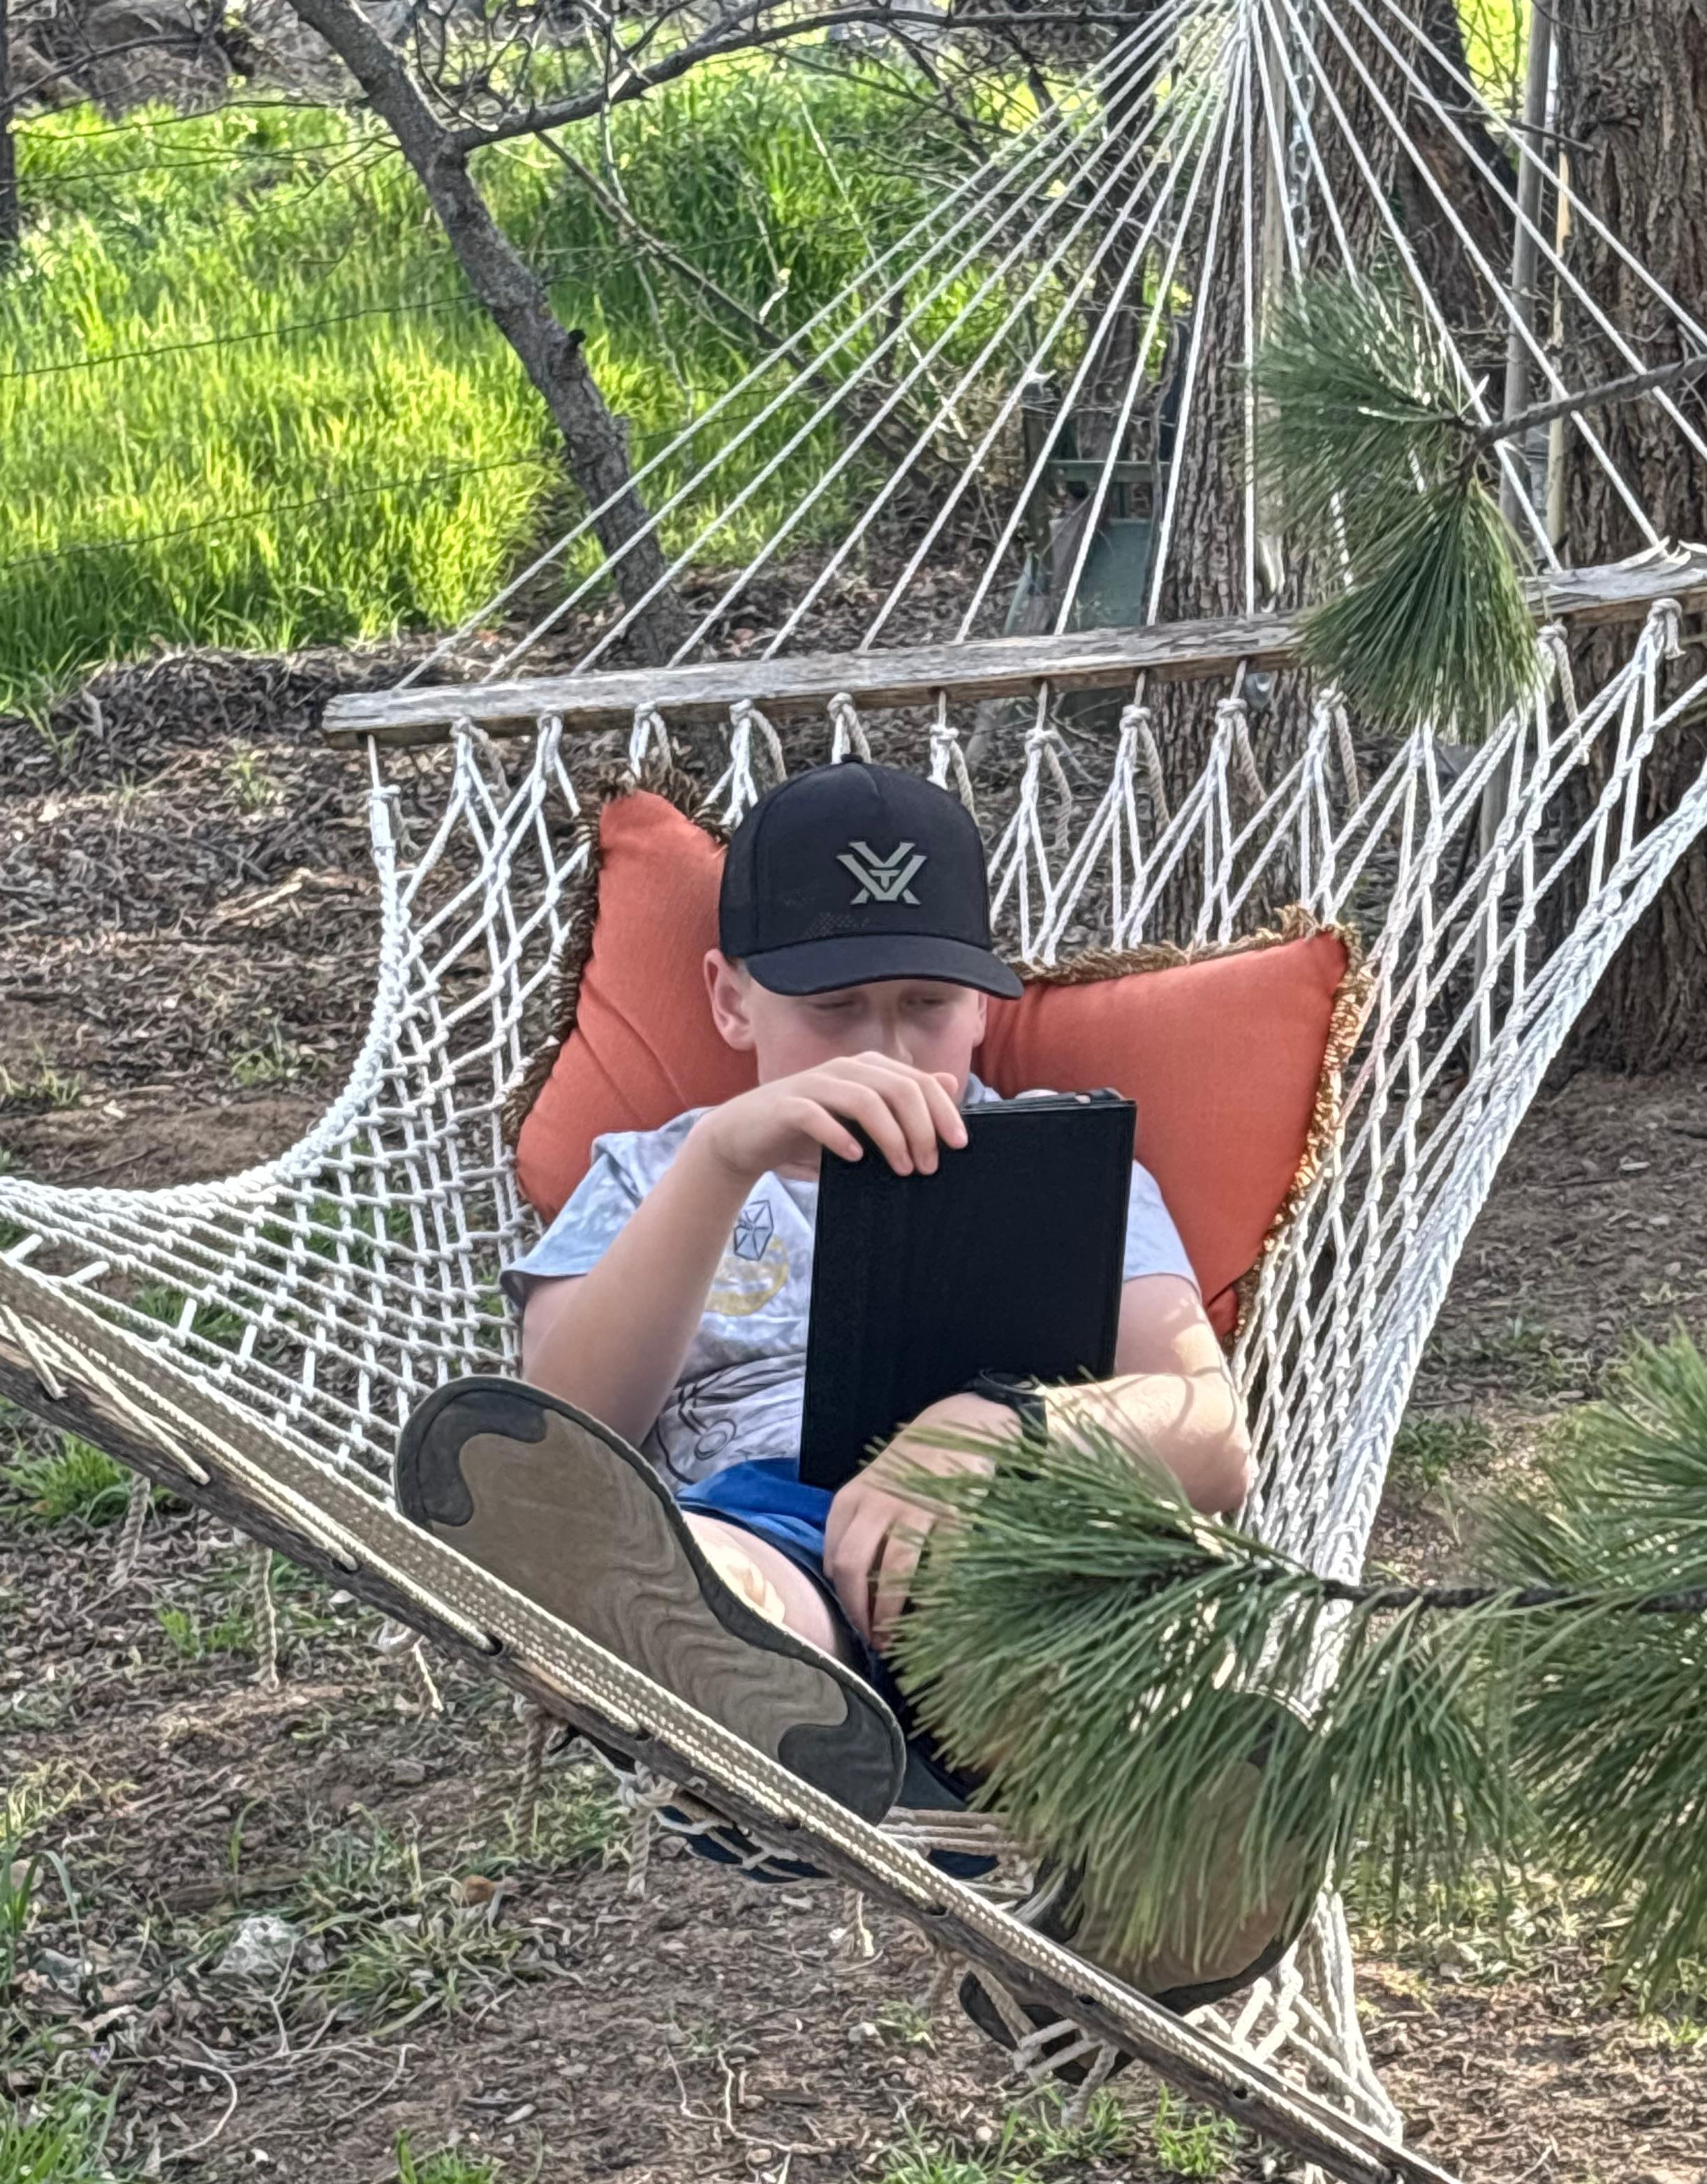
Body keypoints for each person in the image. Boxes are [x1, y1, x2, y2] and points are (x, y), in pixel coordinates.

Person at [397, 762, 1316, 2035]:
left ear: (985, 1010)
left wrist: (1006, 1428)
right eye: (832, 1009)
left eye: (926, 1006)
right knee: (704, 1561)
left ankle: (1156, 1851)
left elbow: (1212, 1440)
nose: (882, 1053)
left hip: (1005, 1534)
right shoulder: (656, 1172)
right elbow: (561, 1423)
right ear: (730, 1001)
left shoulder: (1062, 1164)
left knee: (1002, 1618)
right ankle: (744, 1693)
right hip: (754, 1513)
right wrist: (722, 1165)